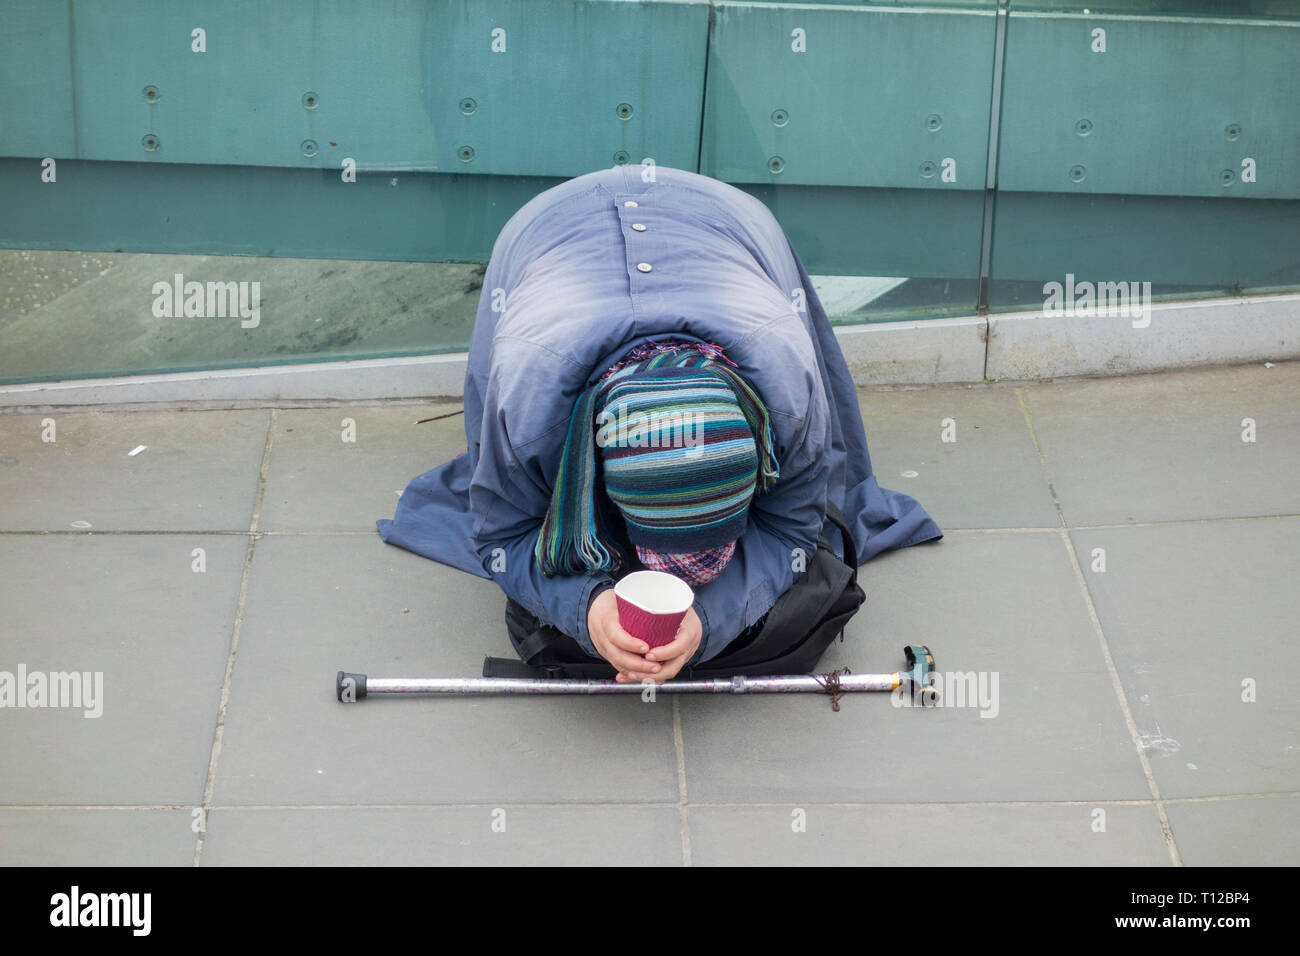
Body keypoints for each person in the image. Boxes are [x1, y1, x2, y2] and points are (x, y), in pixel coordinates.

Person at [377, 164, 942, 683]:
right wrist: (590, 609)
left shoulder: (788, 389)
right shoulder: (528, 400)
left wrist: (707, 621)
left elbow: (792, 528)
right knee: (502, 481)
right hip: (543, 228)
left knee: (819, 494)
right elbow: (502, 532)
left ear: (758, 444)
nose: (692, 580)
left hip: (727, 217)